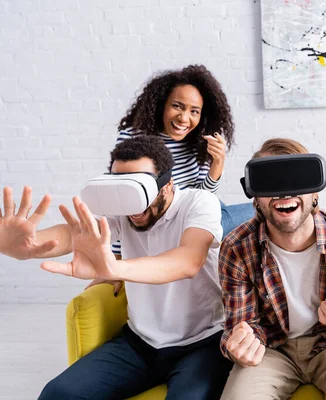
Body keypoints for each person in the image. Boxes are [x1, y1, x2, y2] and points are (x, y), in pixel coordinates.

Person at [0, 136, 232, 400]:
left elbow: (188, 260)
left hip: (202, 344)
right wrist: (23, 245)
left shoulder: (198, 203)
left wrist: (114, 268)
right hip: (140, 344)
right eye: (120, 188)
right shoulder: (121, 210)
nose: (130, 204)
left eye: (138, 189)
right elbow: (72, 233)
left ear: (167, 185)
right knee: (57, 394)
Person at [218, 138, 326, 399]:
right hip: (272, 348)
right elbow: (242, 325)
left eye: (295, 180)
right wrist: (237, 346)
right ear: (254, 196)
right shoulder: (236, 247)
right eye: (269, 182)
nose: (283, 194)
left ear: (315, 191)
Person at [114, 64, 254, 244]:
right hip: (177, 220)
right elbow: (121, 194)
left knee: (267, 211)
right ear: (161, 105)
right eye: (177, 106)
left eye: (194, 111)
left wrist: (217, 163)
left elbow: (203, 197)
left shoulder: (197, 140)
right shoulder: (134, 138)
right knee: (264, 211)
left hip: (202, 208)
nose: (184, 118)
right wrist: (117, 252)